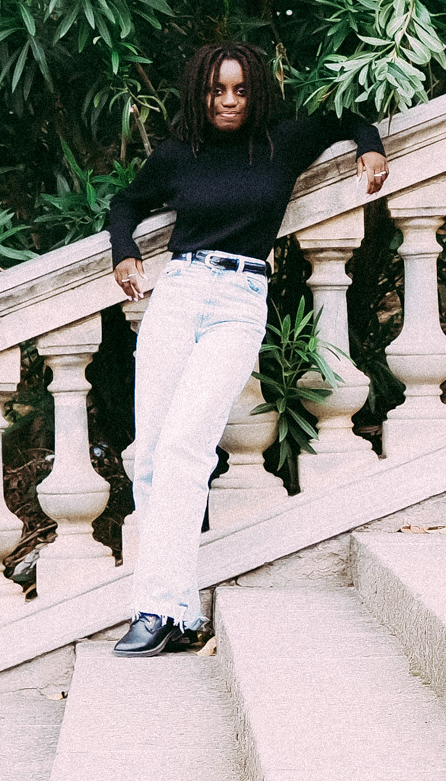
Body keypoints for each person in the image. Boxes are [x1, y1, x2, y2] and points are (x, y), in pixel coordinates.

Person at [103, 40, 389, 656]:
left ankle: (158, 611)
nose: (228, 102)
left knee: (185, 445)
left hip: (237, 301)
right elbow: (126, 200)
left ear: (254, 91)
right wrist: (124, 249)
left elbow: (345, 113)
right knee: (149, 455)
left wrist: (370, 148)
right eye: (216, 91)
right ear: (200, 95)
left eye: (239, 90)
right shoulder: (179, 155)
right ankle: (173, 611)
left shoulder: (279, 144)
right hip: (177, 294)